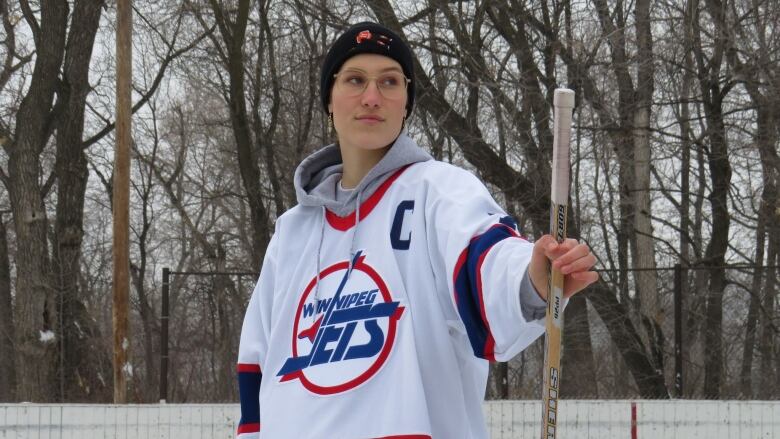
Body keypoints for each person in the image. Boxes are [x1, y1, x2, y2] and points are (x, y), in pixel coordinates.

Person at [236, 21, 598, 439]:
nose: (372, 97)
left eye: (389, 82)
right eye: (355, 80)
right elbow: (257, 369)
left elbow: (486, 257)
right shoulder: (291, 234)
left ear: (406, 102)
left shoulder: (438, 192)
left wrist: (532, 278)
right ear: (329, 100)